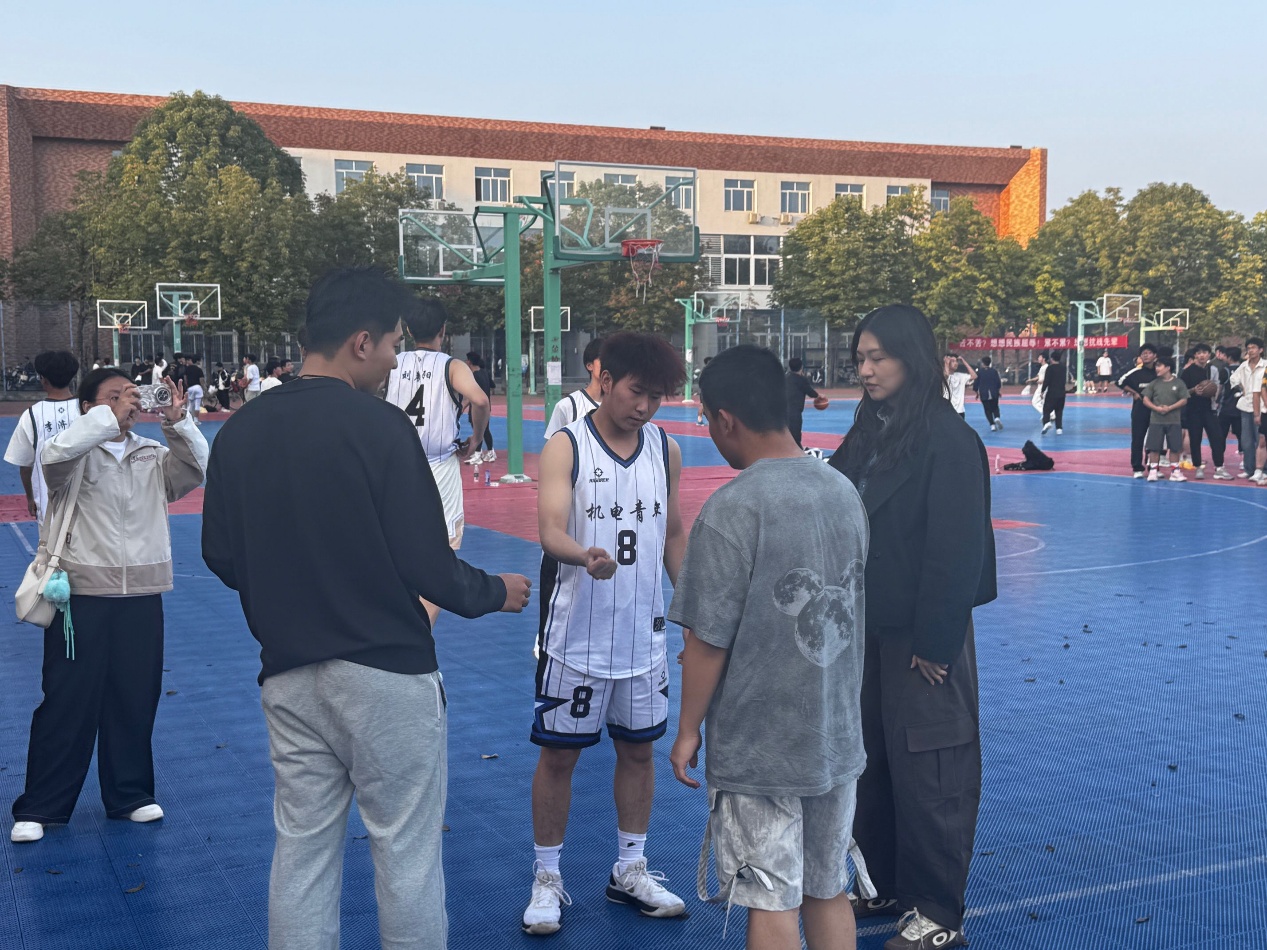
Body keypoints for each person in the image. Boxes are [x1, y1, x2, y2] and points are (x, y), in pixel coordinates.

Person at [201, 267, 531, 950]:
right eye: (390, 346)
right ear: (360, 341)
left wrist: (289, 585)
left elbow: (221, 555)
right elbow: (426, 562)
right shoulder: (378, 426)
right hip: (386, 672)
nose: (392, 362)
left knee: (302, 851)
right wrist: (495, 592)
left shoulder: (240, 431)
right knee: (406, 854)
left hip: (289, 673)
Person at [669, 345, 869, 950]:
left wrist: (687, 730)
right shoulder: (842, 490)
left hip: (762, 743)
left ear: (725, 419)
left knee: (770, 897)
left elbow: (706, 640)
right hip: (834, 733)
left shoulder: (733, 508)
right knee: (827, 886)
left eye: (706, 419)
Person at [828, 305, 996, 950]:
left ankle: (937, 911)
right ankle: (886, 882)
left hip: (923, 638)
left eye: (879, 358)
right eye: (860, 359)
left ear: (914, 358)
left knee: (933, 771)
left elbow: (957, 549)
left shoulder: (949, 440)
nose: (866, 371)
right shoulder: (871, 430)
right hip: (867, 628)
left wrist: (935, 642)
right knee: (871, 763)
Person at [524, 332, 688, 936]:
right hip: (577, 637)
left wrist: (693, 609)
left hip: (643, 637)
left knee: (639, 752)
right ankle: (547, 876)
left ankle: (630, 868)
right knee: (559, 756)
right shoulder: (566, 446)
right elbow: (549, 527)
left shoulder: (665, 448)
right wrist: (581, 554)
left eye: (656, 397)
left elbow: (673, 532)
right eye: (636, 391)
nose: (644, 406)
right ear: (606, 380)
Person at [10, 367, 207, 844]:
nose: (128, 402)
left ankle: (130, 795)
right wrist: (106, 418)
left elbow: (197, 468)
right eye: (114, 395)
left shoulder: (151, 453)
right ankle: (41, 805)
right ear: (87, 408)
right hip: (80, 597)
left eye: (132, 394)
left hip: (142, 595)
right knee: (67, 700)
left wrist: (177, 420)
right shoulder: (71, 453)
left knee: (135, 697)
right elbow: (52, 458)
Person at [383, 297, 490, 627]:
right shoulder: (452, 366)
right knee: (441, 556)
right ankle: (420, 631)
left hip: (396, 466)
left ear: (407, 330)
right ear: (444, 329)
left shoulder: (392, 362)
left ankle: (396, 624)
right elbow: (480, 399)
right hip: (439, 467)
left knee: (394, 549)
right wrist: (476, 437)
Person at [4, 350, 82, 522]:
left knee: (52, 538)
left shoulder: (32, 415)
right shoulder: (87, 410)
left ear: (43, 379)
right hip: (87, 505)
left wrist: (30, 497)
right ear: (72, 377)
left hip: (49, 506)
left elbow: (25, 465)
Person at [1179, 344, 1230, 479]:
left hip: (1209, 409)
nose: (1202, 355)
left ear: (1209, 354)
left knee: (1217, 438)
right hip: (1193, 410)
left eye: (1204, 352)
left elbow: (1216, 386)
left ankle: (1219, 467)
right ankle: (1198, 467)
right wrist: (1193, 390)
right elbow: (1181, 392)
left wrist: (1212, 393)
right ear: (1195, 355)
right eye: (1199, 353)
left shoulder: (1212, 369)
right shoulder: (1187, 372)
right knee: (1195, 439)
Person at [1140, 356, 1189, 482]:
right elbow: (1145, 399)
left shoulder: (1178, 383)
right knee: (1154, 447)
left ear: (1167, 367)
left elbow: (1184, 399)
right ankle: (1153, 471)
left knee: (1175, 447)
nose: (1156, 368)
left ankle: (1175, 472)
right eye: (1156, 366)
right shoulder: (1154, 383)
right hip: (1156, 421)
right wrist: (1156, 408)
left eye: (1159, 366)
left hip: (1174, 421)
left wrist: (1170, 408)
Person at [545, 336, 603, 440]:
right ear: (589, 365)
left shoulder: (621, 405)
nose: (609, 365)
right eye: (603, 360)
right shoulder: (567, 406)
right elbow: (553, 446)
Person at [1117, 343, 1159, 478]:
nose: (1146, 356)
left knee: (1155, 440)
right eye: (1143, 353)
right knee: (1137, 439)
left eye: (1149, 353)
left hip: (1157, 411)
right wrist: (1133, 392)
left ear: (1155, 356)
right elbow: (1120, 382)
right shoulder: (1135, 372)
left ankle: (1153, 466)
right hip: (1140, 411)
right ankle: (1137, 468)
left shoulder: (1160, 372)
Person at [1229, 337, 1265, 482]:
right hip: (1245, 406)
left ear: (1261, 350)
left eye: (1254, 347)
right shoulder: (1243, 366)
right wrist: (1240, 390)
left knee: (1261, 440)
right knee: (1247, 440)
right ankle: (1249, 469)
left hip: (1262, 407)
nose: (1251, 350)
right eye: (1249, 348)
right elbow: (1233, 380)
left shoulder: (1265, 365)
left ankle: (1262, 469)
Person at [464, 352, 496, 464]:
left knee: (478, 431)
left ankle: (478, 454)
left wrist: (463, 406)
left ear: (469, 362)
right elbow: (493, 385)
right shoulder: (484, 372)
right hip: (486, 406)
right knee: (485, 430)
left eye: (466, 360)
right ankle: (490, 452)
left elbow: (472, 395)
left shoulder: (474, 376)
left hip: (477, 407)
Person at [785, 356, 821, 448]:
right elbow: (811, 393)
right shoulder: (801, 380)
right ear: (801, 367)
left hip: (782, 413)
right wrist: (820, 396)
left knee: (785, 437)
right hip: (794, 413)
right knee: (795, 439)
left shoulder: (785, 378)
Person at [972, 355, 1002, 431]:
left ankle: (992, 425)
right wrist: (998, 391)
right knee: (995, 407)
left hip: (984, 393)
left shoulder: (979, 372)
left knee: (987, 409)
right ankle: (997, 418)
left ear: (982, 363)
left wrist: (976, 392)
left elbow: (976, 383)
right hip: (994, 392)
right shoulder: (994, 371)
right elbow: (998, 382)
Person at [1041, 351, 1067, 434]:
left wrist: (1042, 390)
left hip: (1052, 392)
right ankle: (1059, 428)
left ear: (1052, 359)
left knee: (1046, 409)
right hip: (1062, 393)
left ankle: (1047, 422)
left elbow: (1047, 381)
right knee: (1059, 411)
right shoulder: (1063, 368)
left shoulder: (1050, 368)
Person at [694, 356, 712, 426]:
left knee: (708, 405)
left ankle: (705, 420)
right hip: (705, 390)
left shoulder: (711, 370)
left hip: (709, 390)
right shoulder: (705, 371)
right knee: (703, 405)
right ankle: (699, 420)